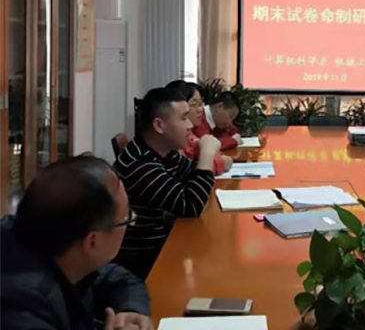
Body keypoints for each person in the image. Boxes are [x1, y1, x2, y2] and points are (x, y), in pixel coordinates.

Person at [1, 156, 151, 330]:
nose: (129, 224)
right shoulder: (20, 307)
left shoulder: (59, 245)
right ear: (92, 241)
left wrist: (130, 310)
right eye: (126, 218)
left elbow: (120, 279)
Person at [115, 87, 220, 218]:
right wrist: (207, 154)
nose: (190, 125)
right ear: (159, 125)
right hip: (158, 232)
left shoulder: (167, 152)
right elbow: (191, 206)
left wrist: (201, 157)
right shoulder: (140, 164)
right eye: (184, 118)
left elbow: (193, 178)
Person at [166, 80, 233, 175]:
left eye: (201, 104)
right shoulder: (173, 139)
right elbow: (193, 170)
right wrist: (209, 159)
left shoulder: (190, 133)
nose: (200, 109)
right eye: (194, 105)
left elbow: (221, 157)